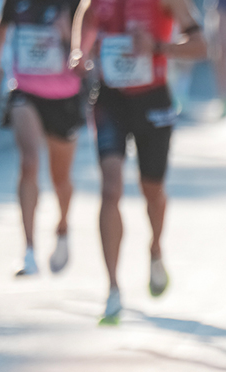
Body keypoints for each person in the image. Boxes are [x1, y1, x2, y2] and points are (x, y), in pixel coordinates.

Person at [71, 0, 207, 325]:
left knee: (153, 190)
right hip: (110, 99)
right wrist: (80, 51)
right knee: (110, 188)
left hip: (153, 99)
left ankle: (156, 248)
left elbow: (201, 47)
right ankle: (113, 288)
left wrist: (159, 46)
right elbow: (85, 16)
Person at [0, 0, 82, 277]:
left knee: (60, 178)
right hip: (25, 89)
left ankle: (62, 227)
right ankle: (28, 249)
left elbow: (89, 47)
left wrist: (68, 38)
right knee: (29, 162)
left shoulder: (75, 3)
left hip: (64, 96)